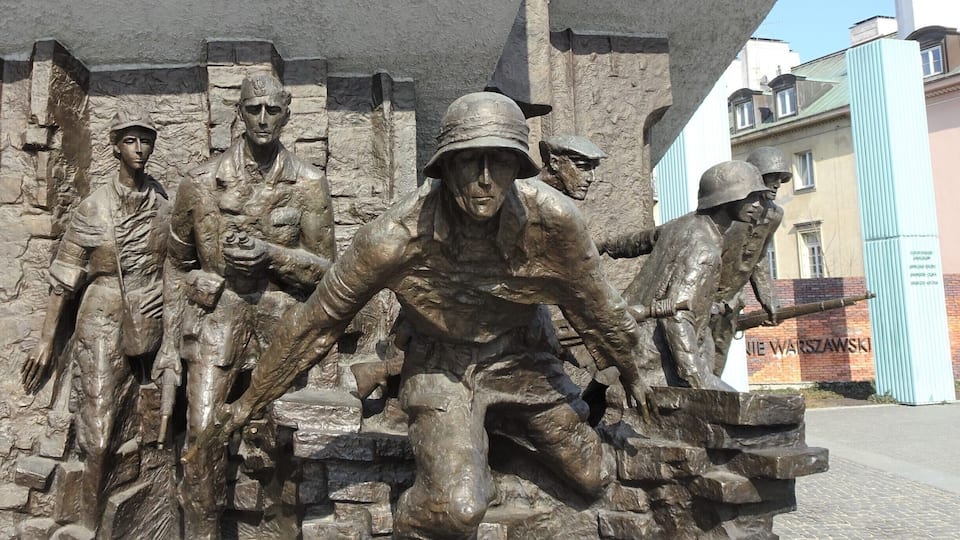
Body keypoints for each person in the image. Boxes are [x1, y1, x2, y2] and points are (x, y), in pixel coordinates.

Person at [188, 92, 653, 539]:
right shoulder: (393, 237)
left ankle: (494, 466)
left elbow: (597, 304)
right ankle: (428, 512)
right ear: (447, 167)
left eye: (502, 161)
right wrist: (246, 405)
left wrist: (635, 372)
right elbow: (316, 324)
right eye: (471, 160)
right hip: (440, 365)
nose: (486, 179)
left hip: (522, 361)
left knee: (592, 477)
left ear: (519, 168)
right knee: (455, 510)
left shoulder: (554, 221)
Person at [153, 72, 336, 539]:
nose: (262, 119)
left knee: (281, 441)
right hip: (217, 319)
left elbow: (327, 272)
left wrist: (272, 254)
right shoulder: (200, 182)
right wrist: (170, 345)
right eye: (253, 109)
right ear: (239, 113)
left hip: (281, 322)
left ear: (286, 114)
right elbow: (176, 265)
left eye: (271, 110)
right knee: (202, 434)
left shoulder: (310, 183)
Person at [21, 106, 168, 535]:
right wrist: (47, 341)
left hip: (153, 315)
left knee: (157, 421)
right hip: (102, 316)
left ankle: (143, 514)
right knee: (99, 431)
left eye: (146, 141)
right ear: (115, 146)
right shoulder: (93, 209)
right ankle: (89, 521)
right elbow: (64, 277)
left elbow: (178, 264)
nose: (140, 149)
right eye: (131, 140)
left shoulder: (163, 206)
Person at [619, 161, 768, 391]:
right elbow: (676, 317)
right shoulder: (705, 251)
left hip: (634, 350)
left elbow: (639, 241)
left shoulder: (685, 224)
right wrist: (697, 379)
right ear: (725, 198)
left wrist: (603, 246)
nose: (759, 205)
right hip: (656, 367)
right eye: (750, 197)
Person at [709, 146, 790, 375]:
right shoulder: (732, 210)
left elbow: (759, 256)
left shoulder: (775, 215)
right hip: (706, 295)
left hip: (732, 301)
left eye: (780, 179)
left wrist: (769, 299)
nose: (776, 184)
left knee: (717, 360)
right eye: (770, 178)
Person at [537, 134, 607, 199]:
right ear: (555, 162)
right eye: (582, 167)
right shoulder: (529, 192)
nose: (591, 179)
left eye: (594, 168)